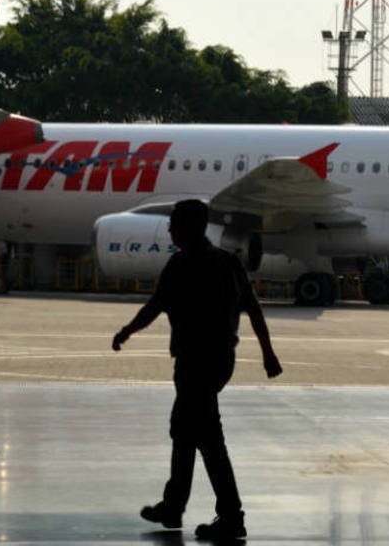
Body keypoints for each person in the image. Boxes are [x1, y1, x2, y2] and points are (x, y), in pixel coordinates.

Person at [112, 199, 282, 541]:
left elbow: (154, 307)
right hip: (219, 361)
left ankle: (231, 516)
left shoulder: (182, 264)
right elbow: (253, 309)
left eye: (174, 223)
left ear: (187, 227)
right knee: (185, 431)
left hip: (194, 363)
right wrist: (267, 354)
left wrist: (126, 332)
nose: (170, 229)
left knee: (208, 440)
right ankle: (173, 506)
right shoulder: (227, 263)